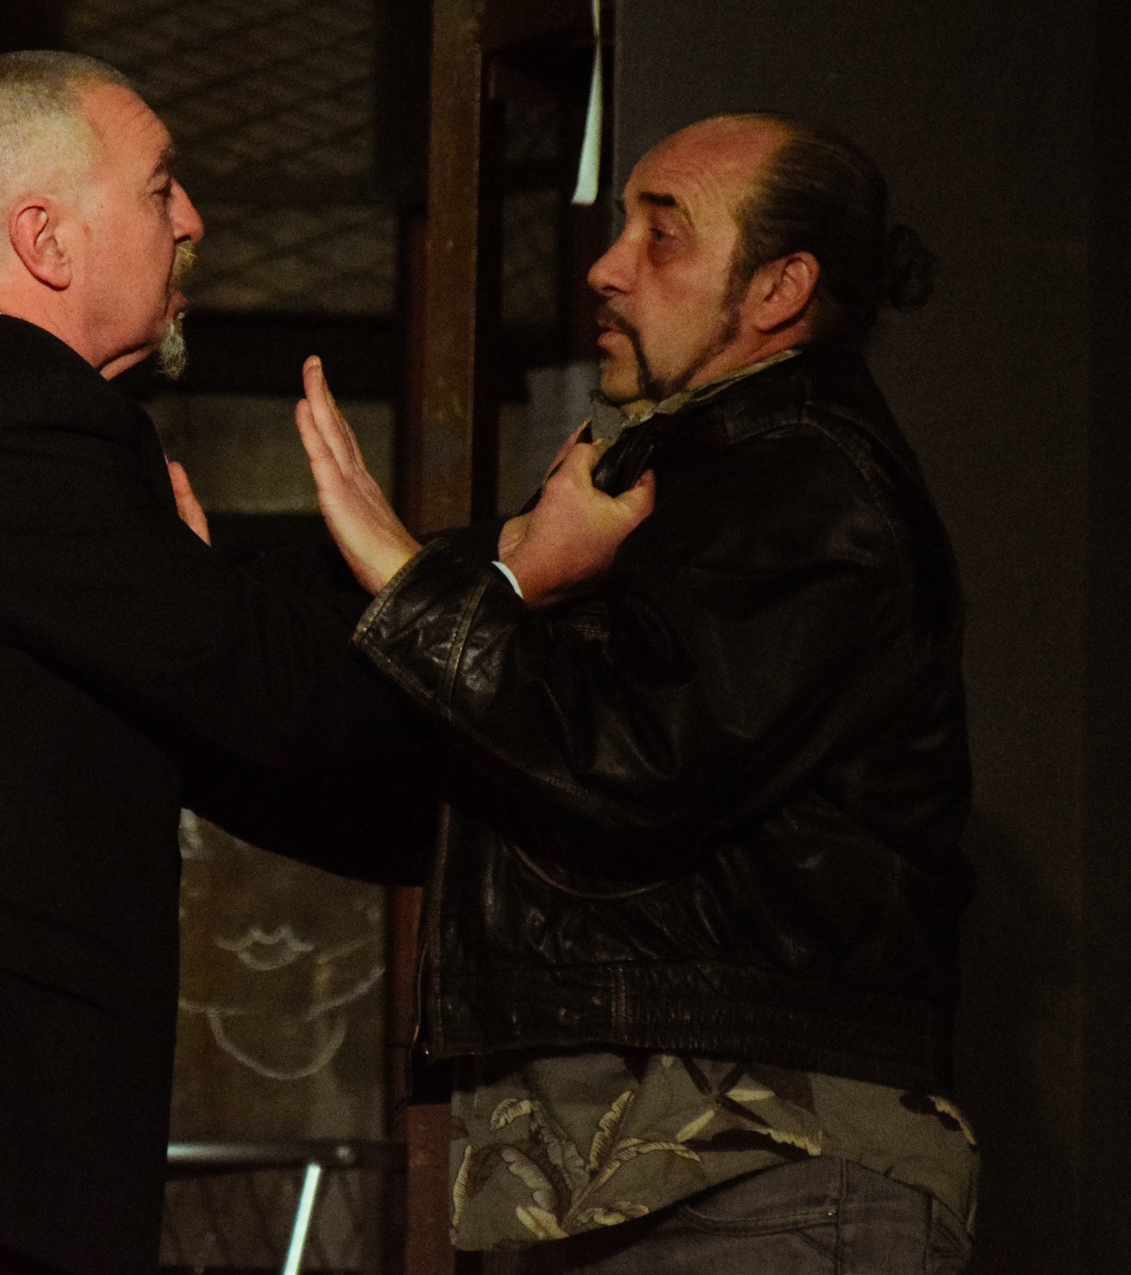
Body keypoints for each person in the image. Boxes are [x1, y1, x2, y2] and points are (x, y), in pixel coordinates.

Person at [0, 51, 621, 1275]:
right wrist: (515, 572)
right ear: (45, 238)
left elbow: (234, 698)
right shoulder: (3, 419)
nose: (191, 220)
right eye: (159, 188)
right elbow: (278, 692)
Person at [295, 113, 979, 1272]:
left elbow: (631, 756)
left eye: (664, 235)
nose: (607, 268)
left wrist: (424, 585)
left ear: (780, 289)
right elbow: (482, 772)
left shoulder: (812, 485)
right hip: (668, 1180)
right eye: (622, 226)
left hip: (759, 1175)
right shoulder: (693, 480)